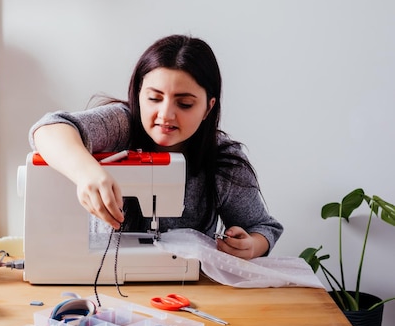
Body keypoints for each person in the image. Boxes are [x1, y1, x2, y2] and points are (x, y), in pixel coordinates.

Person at [29, 34, 283, 259]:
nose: (166, 115)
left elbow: (263, 228)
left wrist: (252, 245)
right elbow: (49, 128)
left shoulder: (222, 160)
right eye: (154, 98)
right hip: (106, 278)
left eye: (184, 104)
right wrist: (87, 173)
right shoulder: (120, 124)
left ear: (208, 107)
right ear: (139, 94)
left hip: (191, 292)